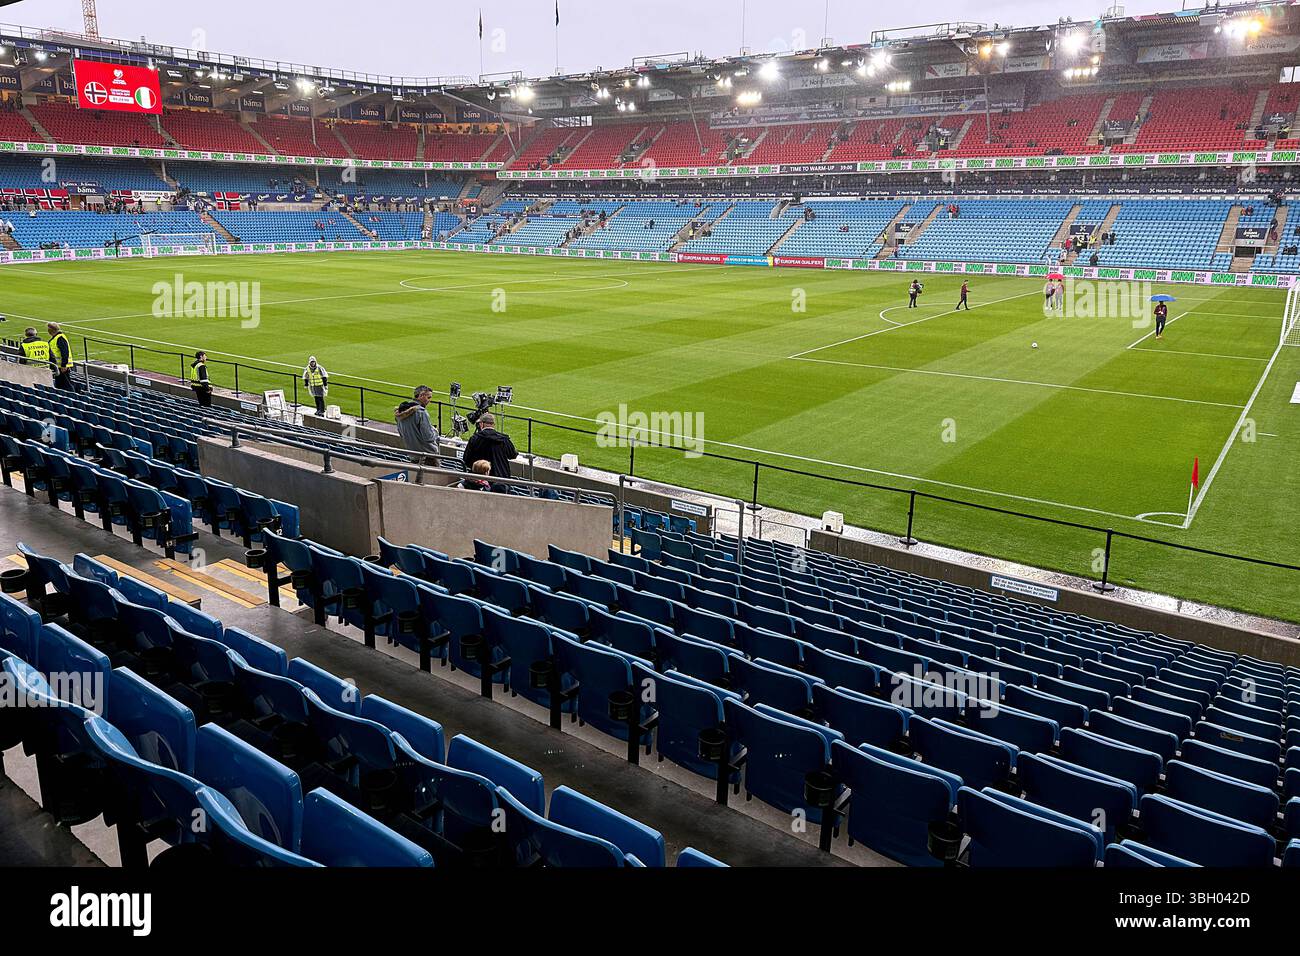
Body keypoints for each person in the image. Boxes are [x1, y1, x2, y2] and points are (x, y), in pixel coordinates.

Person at [461, 412, 517, 488]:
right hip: (501, 478)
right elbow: (513, 455)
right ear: (493, 424)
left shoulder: (475, 439)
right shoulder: (503, 439)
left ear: (481, 424)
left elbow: (466, 459)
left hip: (479, 478)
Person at [394, 385, 442, 456]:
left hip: (412, 454)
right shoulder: (421, 412)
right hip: (427, 456)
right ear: (421, 396)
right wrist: (435, 431)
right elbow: (428, 437)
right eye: (428, 397)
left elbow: (402, 434)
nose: (429, 401)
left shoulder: (400, 412)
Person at [46, 322, 74, 391]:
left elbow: (65, 352)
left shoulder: (60, 338)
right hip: (57, 367)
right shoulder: (55, 338)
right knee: (61, 385)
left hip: (62, 367)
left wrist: (64, 365)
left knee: (66, 385)